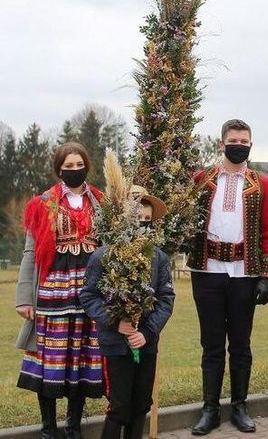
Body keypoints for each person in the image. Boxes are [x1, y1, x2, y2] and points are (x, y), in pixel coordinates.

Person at [187, 119, 268, 435]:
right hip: (207, 271)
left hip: (245, 274)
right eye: (234, 139)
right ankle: (210, 409)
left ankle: (240, 406)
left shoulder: (261, 183)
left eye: (245, 140)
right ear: (221, 143)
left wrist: (267, 276)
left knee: (240, 344)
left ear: (250, 144)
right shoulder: (201, 180)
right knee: (211, 344)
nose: (239, 144)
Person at [15, 143, 106, 438]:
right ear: (59, 169)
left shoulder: (102, 202)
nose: (74, 169)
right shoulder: (42, 203)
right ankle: (48, 427)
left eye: (79, 164)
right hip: (53, 290)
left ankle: (73, 425)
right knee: (50, 357)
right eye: (68, 166)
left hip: (91, 289)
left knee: (81, 355)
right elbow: (30, 252)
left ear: (87, 166)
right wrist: (24, 298)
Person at [80, 188, 175, 439]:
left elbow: (166, 299)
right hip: (115, 345)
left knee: (141, 405)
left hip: (146, 344)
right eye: (136, 219)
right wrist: (114, 320)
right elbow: (88, 296)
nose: (141, 224)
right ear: (122, 218)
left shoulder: (159, 258)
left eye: (146, 220)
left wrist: (147, 331)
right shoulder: (103, 256)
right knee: (120, 407)